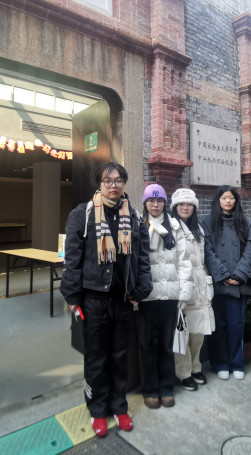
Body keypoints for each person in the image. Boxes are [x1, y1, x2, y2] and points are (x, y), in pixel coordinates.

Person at [60, 162, 153, 437]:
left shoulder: (134, 217)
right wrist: (72, 295)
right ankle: (98, 410)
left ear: (124, 183)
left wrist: (142, 289)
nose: (113, 185)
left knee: (120, 357)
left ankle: (119, 406)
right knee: (96, 358)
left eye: (118, 180)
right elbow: (72, 259)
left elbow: (143, 259)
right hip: (93, 300)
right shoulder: (83, 214)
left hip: (124, 300)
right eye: (107, 181)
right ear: (99, 184)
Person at [138, 184, 193, 409]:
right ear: (145, 203)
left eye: (159, 200)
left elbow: (184, 261)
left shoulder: (175, 226)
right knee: (147, 343)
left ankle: (166, 387)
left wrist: (184, 292)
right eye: (151, 201)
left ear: (164, 203)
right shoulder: (138, 225)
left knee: (166, 342)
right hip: (146, 295)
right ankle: (150, 388)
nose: (155, 204)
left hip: (170, 295)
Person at [202, 185, 251, 381]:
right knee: (219, 325)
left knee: (236, 324)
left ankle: (236, 362)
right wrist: (222, 274)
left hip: (238, 283)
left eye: (231, 198)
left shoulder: (245, 221)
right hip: (218, 282)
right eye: (224, 198)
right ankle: (220, 362)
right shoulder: (208, 221)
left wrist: (240, 274)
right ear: (218, 200)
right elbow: (207, 250)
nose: (228, 201)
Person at [170, 188, 215, 391]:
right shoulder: (171, 227)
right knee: (182, 332)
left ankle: (196, 367)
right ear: (175, 207)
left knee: (198, 333)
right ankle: (183, 372)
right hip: (183, 284)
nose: (185, 207)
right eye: (181, 204)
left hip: (200, 284)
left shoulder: (199, 229)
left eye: (189, 204)